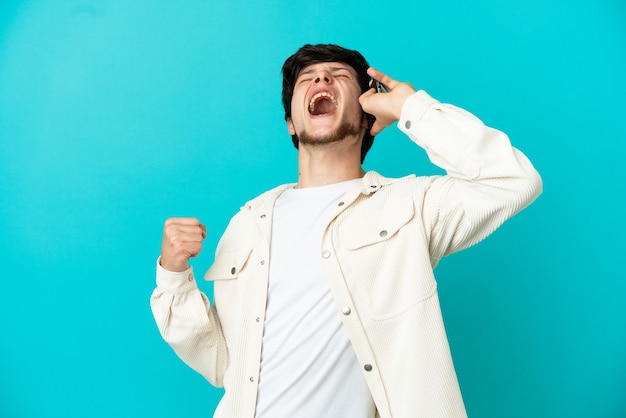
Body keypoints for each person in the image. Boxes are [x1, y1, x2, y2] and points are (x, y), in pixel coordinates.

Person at [150, 44, 542, 418]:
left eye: (338, 76)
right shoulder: (248, 224)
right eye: (307, 79)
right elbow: (223, 364)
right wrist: (173, 277)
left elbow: (512, 180)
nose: (321, 78)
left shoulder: (411, 205)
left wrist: (410, 107)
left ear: (368, 117)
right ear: (290, 120)